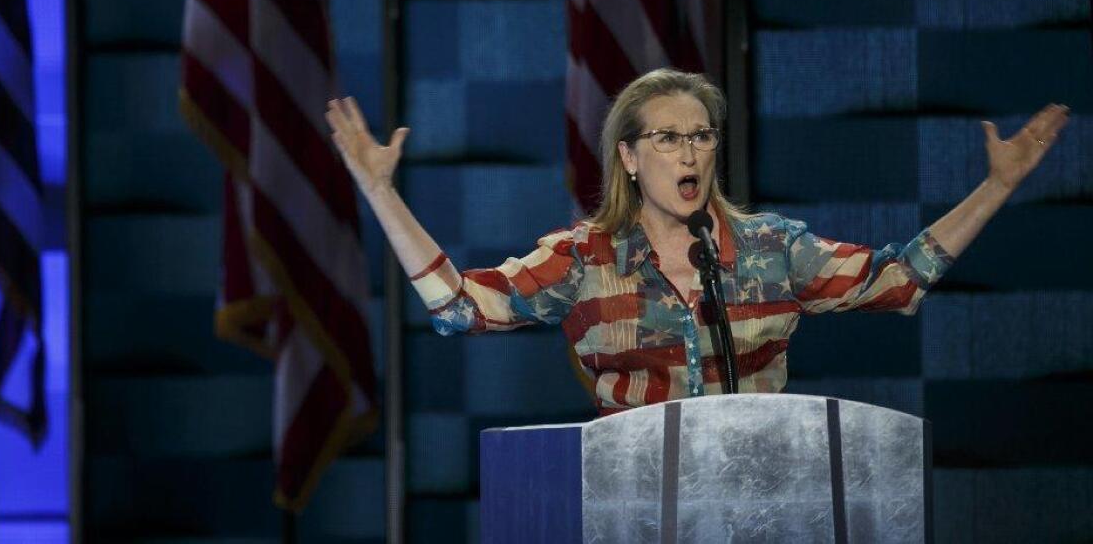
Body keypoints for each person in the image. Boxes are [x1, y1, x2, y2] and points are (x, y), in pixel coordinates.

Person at [325, 69, 1068, 415]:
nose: (688, 153)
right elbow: (457, 306)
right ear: (629, 156)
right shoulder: (583, 259)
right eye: (668, 137)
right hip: (632, 508)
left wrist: (997, 185)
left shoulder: (774, 247)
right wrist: (381, 192)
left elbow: (901, 280)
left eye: (701, 136)